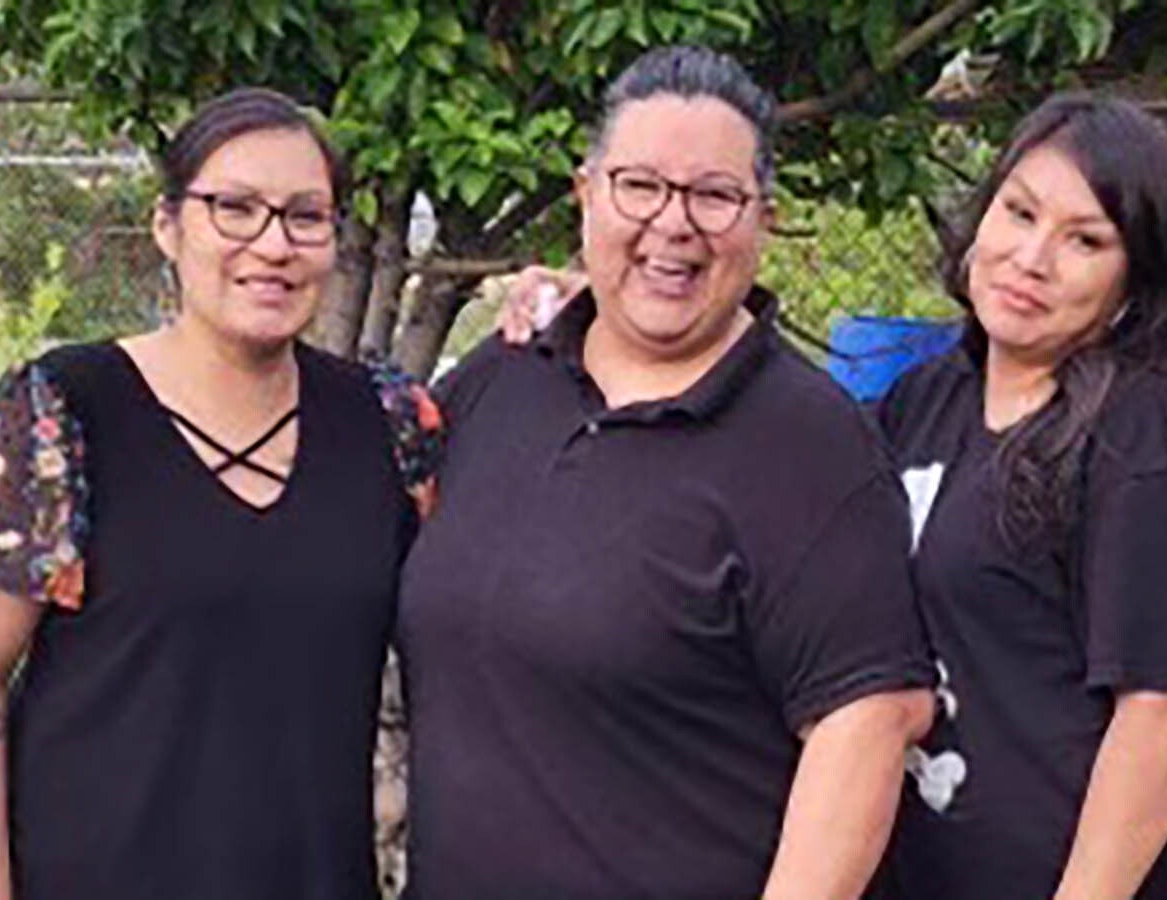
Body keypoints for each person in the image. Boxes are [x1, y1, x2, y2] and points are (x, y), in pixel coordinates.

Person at [504, 93, 1167, 898]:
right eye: (1019, 213)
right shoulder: (926, 401)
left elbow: (1162, 718)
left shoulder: (1140, 439)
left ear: (1131, 283)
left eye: (1085, 240)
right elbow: (757, 429)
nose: (1032, 257)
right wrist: (610, 298)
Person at [397, 45, 936, 900]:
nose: (673, 223)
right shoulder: (496, 383)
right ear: (585, 196)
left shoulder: (810, 444)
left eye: (714, 195)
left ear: (762, 217)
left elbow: (865, 726)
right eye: (639, 185)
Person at [0, 87, 441, 900]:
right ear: (168, 226)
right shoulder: (63, 413)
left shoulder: (391, 425)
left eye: (305, 216)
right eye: (234, 208)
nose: (272, 244)